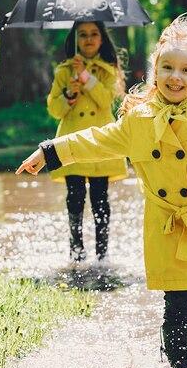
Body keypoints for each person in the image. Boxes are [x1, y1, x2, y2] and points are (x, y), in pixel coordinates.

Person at [18, 17, 187, 368]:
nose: (174, 77)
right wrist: (49, 151)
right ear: (153, 71)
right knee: (176, 308)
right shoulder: (139, 119)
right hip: (166, 225)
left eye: (185, 70)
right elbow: (98, 139)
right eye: (166, 67)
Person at [45, 21, 128, 262]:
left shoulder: (108, 70)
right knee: (74, 196)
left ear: (102, 39)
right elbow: (54, 109)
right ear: (75, 39)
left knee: (100, 197)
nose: (89, 39)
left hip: (100, 141)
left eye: (94, 34)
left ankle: (102, 253)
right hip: (70, 139)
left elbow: (105, 101)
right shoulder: (63, 71)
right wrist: (69, 95)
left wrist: (86, 77)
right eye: (83, 35)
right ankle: (76, 251)